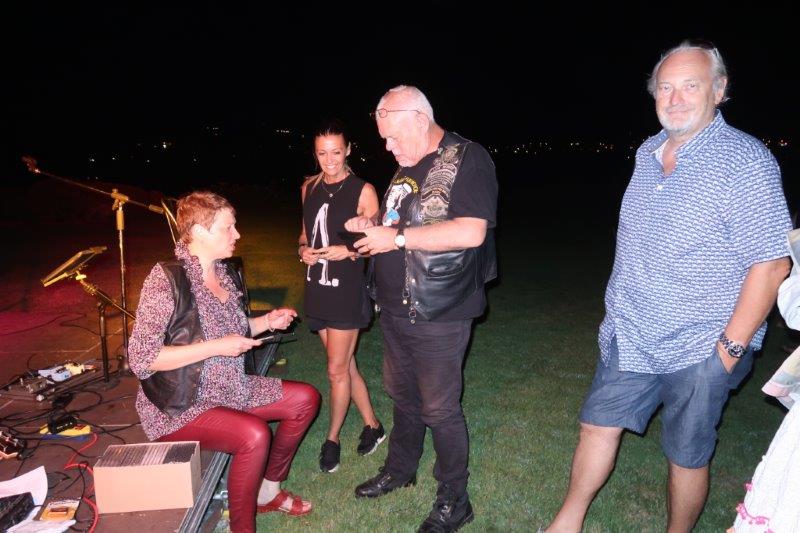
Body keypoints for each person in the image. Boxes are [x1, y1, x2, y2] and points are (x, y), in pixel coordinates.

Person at [544, 41, 792, 533]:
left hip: (703, 344)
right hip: (633, 332)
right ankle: (565, 525)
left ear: (719, 90)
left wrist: (727, 352)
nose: (675, 99)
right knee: (596, 424)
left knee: (685, 454)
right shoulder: (648, 152)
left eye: (690, 86)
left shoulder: (745, 161)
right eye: (665, 88)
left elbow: (771, 264)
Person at [345, 85, 498, 532]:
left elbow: (470, 232)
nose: (388, 147)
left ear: (419, 118)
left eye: (393, 136)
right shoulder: (407, 165)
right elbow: (403, 221)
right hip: (397, 306)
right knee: (403, 397)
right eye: (384, 139)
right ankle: (400, 469)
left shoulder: (467, 159)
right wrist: (373, 225)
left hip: (440, 309)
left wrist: (393, 238)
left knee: (439, 408)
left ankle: (455, 498)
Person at [128, 191, 320, 533]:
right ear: (199, 232)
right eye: (228, 228)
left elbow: (233, 330)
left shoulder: (224, 272)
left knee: (306, 399)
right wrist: (215, 347)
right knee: (254, 435)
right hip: (181, 404)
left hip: (231, 388)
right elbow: (143, 359)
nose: (237, 234)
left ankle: (268, 491)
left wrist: (267, 322)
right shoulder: (166, 280)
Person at [298, 118, 385, 473]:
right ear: (315, 154)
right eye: (322, 153)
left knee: (335, 371)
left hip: (347, 290)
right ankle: (374, 426)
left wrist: (347, 251)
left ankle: (332, 439)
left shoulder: (364, 191)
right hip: (317, 287)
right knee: (346, 365)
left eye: (336, 152)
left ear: (348, 150)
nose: (330, 160)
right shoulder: (308, 187)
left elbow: (376, 244)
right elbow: (304, 233)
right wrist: (303, 250)